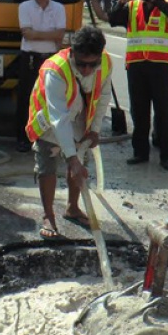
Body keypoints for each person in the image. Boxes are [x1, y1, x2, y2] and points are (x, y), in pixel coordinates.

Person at [87, 0, 168, 170]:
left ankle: (166, 156)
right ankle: (140, 152)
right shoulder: (131, 7)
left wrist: (153, 0)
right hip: (136, 67)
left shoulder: (167, 5)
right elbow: (107, 17)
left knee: (164, 112)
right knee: (139, 112)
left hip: (160, 66)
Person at [25, 25, 112, 239]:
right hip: (50, 121)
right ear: (72, 52)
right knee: (48, 164)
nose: (86, 70)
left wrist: (94, 130)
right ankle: (48, 216)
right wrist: (71, 158)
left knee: (81, 163)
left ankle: (72, 207)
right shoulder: (55, 69)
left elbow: (103, 98)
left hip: (80, 116)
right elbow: (59, 118)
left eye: (92, 64)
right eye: (81, 63)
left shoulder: (106, 63)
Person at [16, 0, 66, 153]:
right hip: (29, 57)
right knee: (26, 99)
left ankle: (46, 138)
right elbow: (27, 34)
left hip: (50, 59)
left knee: (49, 100)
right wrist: (49, 34)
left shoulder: (59, 8)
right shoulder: (24, 7)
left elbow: (60, 35)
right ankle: (22, 138)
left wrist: (37, 34)